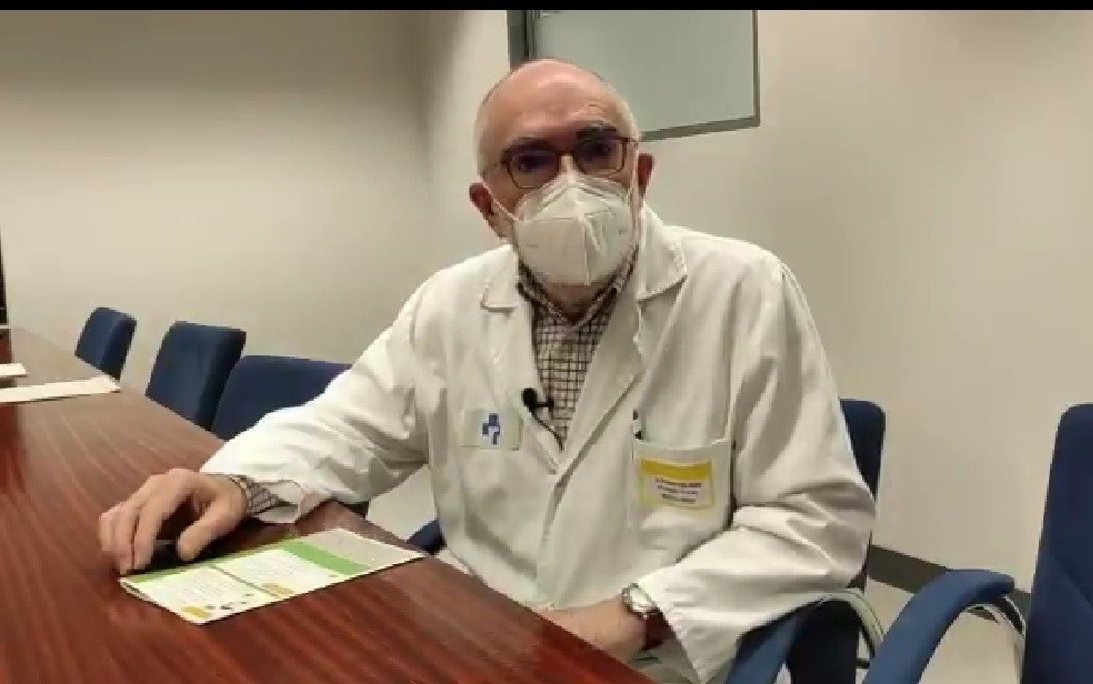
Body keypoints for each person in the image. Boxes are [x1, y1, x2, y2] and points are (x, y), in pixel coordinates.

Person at [97, 58, 876, 684]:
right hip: (476, 645)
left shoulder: (743, 291)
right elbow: (346, 427)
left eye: (596, 150)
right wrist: (235, 483)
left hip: (650, 659)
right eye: (532, 161)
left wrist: (634, 614)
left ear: (638, 174)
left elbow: (815, 517)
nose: (572, 183)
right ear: (488, 205)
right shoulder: (450, 305)